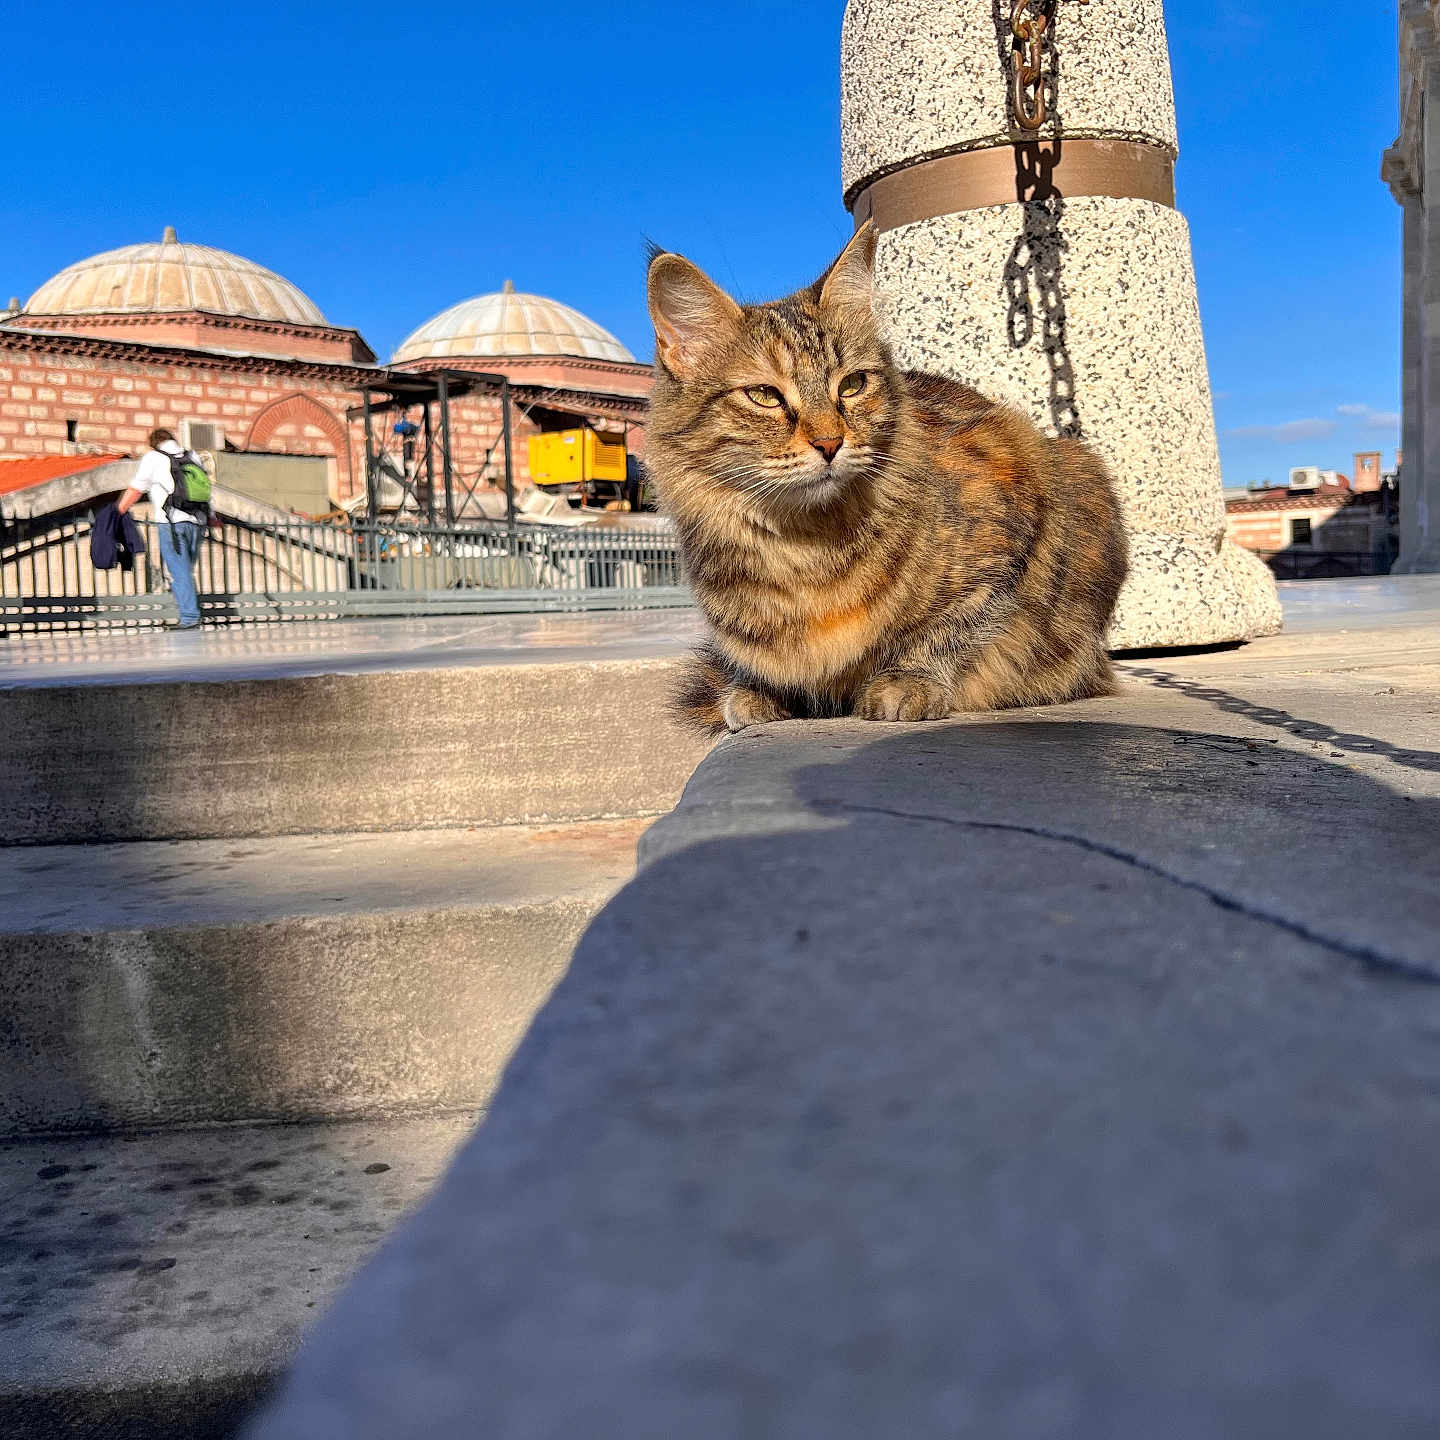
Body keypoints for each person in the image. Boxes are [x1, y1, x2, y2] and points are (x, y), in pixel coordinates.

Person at [118, 427, 205, 629]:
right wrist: (212, 517)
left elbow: (137, 488)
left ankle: (190, 617)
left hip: (171, 522)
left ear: (153, 443)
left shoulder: (154, 458)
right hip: (197, 522)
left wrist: (118, 511)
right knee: (185, 571)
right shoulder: (192, 456)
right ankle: (190, 612)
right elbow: (206, 487)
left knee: (178, 571)